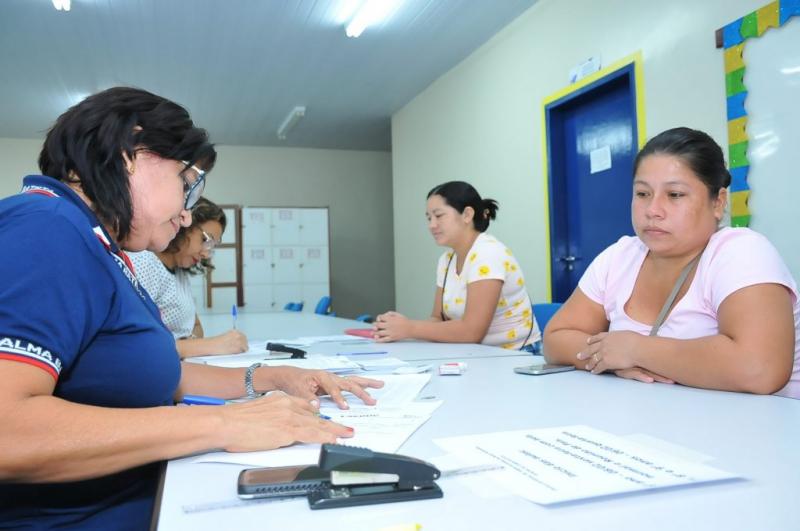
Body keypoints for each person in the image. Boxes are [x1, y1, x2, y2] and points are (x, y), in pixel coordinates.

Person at [0, 87, 383, 529]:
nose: (186, 215)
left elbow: (152, 375)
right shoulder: (46, 228)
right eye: (186, 183)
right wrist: (223, 424)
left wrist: (272, 377)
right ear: (131, 155)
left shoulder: (96, 244)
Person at [544, 127, 799, 397]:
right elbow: (555, 338)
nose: (653, 210)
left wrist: (635, 350)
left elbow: (759, 369)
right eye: (642, 194)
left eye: (675, 195)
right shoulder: (619, 256)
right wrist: (610, 360)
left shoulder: (741, 251)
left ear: (718, 202)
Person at [373, 181, 541, 351]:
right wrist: (396, 327)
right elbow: (437, 319)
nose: (432, 225)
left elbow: (472, 332)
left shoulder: (488, 253)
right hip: (475, 353)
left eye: (439, 216)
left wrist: (410, 328)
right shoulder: (446, 260)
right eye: (429, 218)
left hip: (515, 354)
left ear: (467, 215)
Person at [130, 197, 249, 358]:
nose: (206, 253)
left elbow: (195, 326)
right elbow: (137, 344)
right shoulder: (144, 263)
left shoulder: (178, 273)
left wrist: (189, 345)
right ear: (183, 225)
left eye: (211, 246)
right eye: (205, 240)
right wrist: (209, 345)